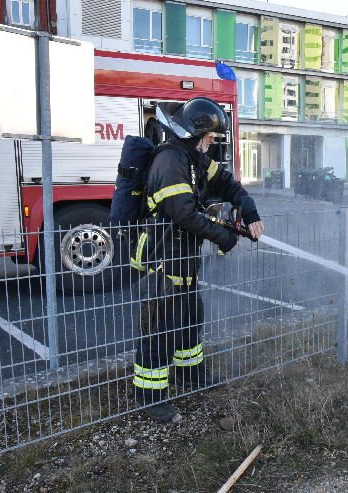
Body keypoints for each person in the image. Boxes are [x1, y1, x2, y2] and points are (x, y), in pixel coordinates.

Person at [131, 97, 264, 422]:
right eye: (209, 136)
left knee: (191, 317)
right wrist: (225, 237)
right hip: (162, 258)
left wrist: (249, 210)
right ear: (193, 133)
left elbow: (229, 183)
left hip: (185, 257)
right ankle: (149, 395)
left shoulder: (194, 159)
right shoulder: (170, 160)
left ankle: (191, 374)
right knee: (159, 327)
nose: (212, 142)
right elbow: (183, 214)